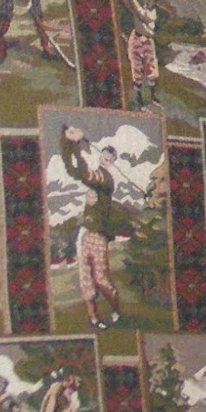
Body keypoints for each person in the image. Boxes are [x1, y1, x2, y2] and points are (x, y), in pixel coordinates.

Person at [62, 125, 125, 330]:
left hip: (98, 235)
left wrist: (77, 144)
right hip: (85, 233)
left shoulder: (106, 179)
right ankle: (94, 319)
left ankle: (116, 310)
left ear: (113, 162)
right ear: (100, 157)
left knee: (101, 279)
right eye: (104, 156)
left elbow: (85, 174)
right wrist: (70, 145)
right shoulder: (95, 175)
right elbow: (73, 170)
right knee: (86, 280)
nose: (105, 159)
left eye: (109, 158)